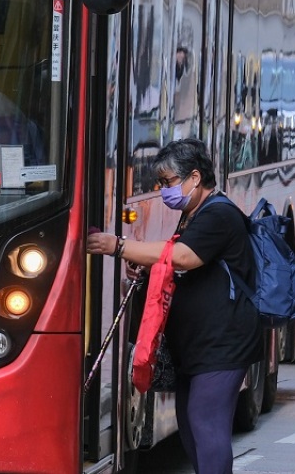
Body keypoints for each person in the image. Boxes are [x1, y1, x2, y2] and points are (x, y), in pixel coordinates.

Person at [85, 138, 262, 474]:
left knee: (204, 421)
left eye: (168, 182)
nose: (164, 190)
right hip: (195, 347)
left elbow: (184, 257)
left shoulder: (220, 214)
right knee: (191, 425)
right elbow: (174, 262)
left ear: (194, 177)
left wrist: (118, 245)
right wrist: (149, 265)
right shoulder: (193, 215)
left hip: (223, 345)